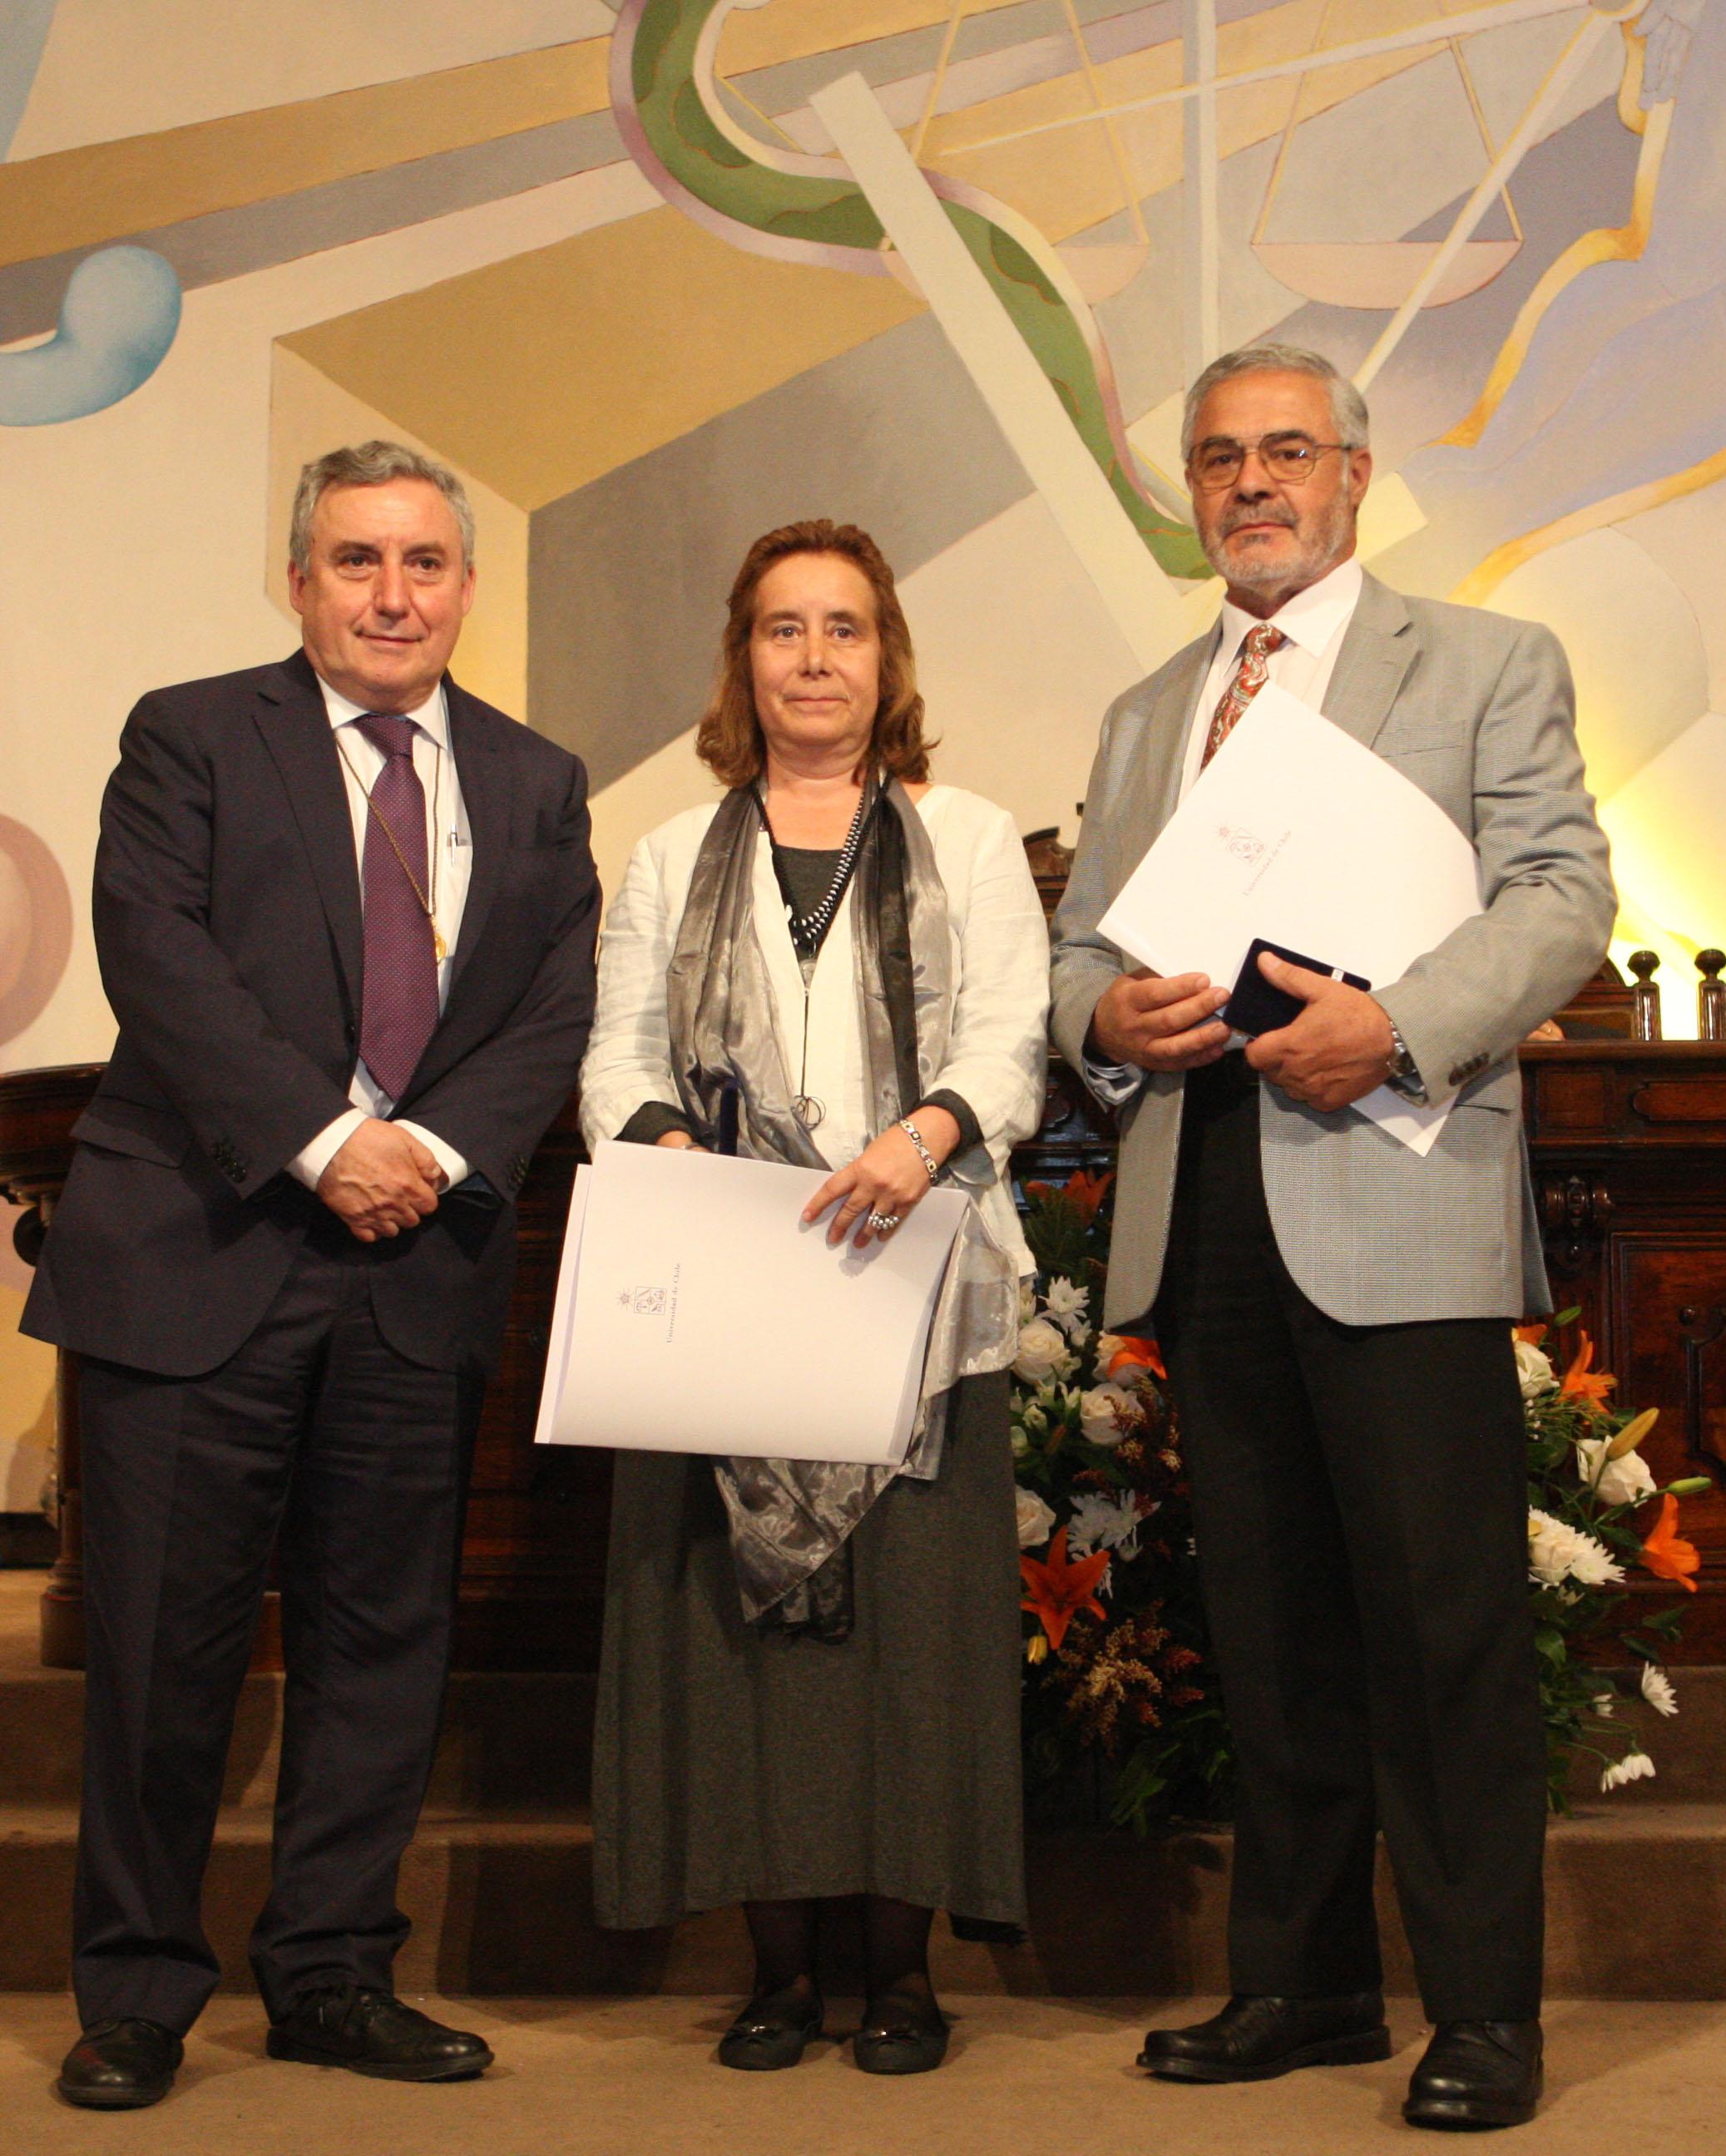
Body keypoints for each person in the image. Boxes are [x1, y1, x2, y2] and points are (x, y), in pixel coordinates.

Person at [1050, 345, 1615, 2132]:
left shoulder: (1487, 662)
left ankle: (1484, 2014)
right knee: (1271, 1624)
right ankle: (1301, 1987)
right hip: (1205, 1192)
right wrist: (1098, 1023)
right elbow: (1081, 948)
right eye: (1219, 459)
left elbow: (1566, 896)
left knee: (1441, 1623)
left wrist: (1407, 1021)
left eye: (1286, 450)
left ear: (1359, 472)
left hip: (1394, 1173)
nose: (1250, 483)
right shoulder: (1148, 709)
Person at [22, 442, 599, 2110]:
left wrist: (425, 1156)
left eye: (424, 562)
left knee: (380, 1641)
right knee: (161, 1648)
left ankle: (336, 1974)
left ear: (467, 589)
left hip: (416, 1268)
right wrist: (327, 1140)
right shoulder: (192, 734)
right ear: (299, 581)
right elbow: (160, 955)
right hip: (205, 1252)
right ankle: (134, 1993)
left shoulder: (536, 777)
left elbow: (553, 1003)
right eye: (357, 560)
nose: (393, 592)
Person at [580, 520, 1046, 2078]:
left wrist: (920, 1141)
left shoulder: (967, 837)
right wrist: (669, 1154)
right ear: (744, 658)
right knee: (747, 1647)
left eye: (842, 629)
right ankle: (776, 1970)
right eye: (783, 630)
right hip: (729, 1290)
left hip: (914, 1279)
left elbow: (1009, 1040)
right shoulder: (663, 854)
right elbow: (615, 1057)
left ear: (885, 656)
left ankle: (902, 1976)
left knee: (911, 1639)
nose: (814, 659)